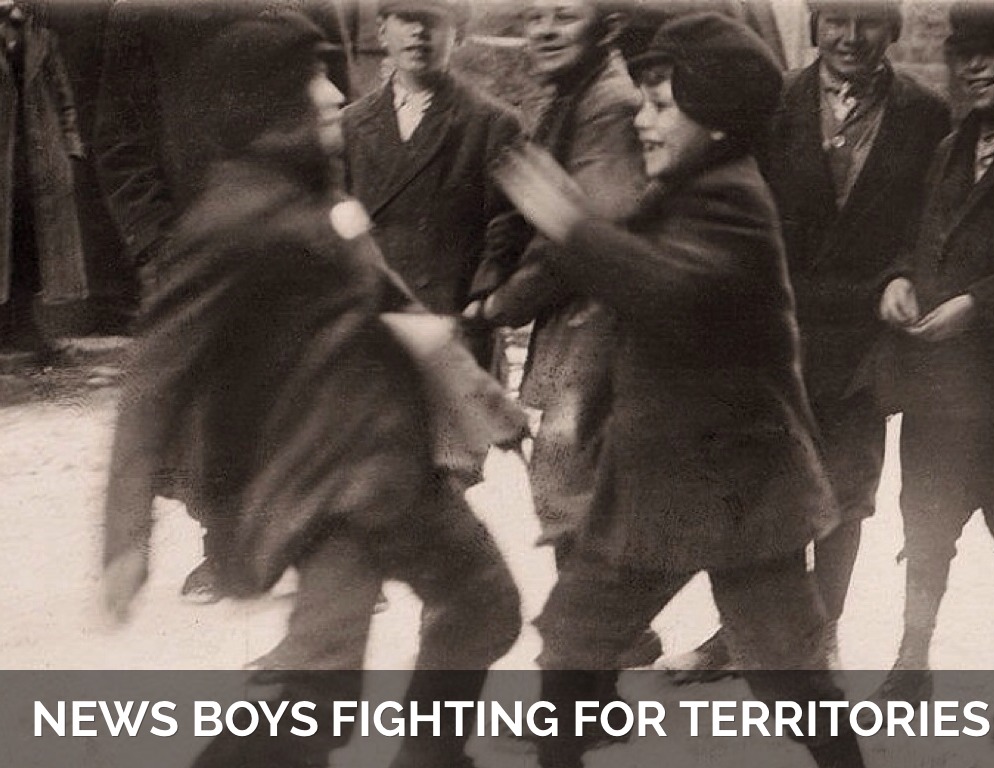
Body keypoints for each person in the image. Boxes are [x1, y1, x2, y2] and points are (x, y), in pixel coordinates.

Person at [100, 12, 523, 768]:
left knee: (474, 613)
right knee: (326, 691)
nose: (333, 95)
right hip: (329, 491)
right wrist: (126, 539)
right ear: (267, 107)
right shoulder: (232, 220)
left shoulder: (316, 193)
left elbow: (393, 302)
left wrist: (489, 404)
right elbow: (154, 380)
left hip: (391, 473)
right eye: (310, 82)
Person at [492, 13, 865, 768]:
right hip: (674, 478)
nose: (642, 118)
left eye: (662, 105)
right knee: (575, 642)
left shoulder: (733, 200)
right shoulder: (683, 188)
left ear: (718, 123)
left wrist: (569, 225)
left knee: (786, 669)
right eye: (643, 101)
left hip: (733, 482)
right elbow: (618, 268)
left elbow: (667, 290)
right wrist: (506, 299)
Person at [671, 0, 950, 682]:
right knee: (761, 483)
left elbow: (934, 219)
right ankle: (744, 635)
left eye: (868, 21)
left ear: (893, 29)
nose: (850, 37)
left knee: (844, 495)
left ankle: (819, 638)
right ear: (816, 24)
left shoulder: (925, 114)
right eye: (836, 20)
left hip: (864, 339)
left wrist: (904, 274)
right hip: (774, 328)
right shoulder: (774, 100)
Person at [94, 0, 353, 603]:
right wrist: (157, 246)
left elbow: (341, 109)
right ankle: (226, 542)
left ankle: (329, 545)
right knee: (216, 404)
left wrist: (334, 211)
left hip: (301, 217)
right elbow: (119, 142)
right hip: (194, 232)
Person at [477, 0, 654, 669]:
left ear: (604, 26)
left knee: (573, 497)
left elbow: (581, 235)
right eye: (534, 17)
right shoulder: (568, 94)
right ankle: (603, 653)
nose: (545, 30)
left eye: (564, 15)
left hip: (598, 326)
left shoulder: (608, 105)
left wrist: (503, 302)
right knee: (571, 497)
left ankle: (587, 671)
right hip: (580, 324)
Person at [870, 1, 994, 748]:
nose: (976, 66)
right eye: (965, 53)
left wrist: (980, 305)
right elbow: (915, 237)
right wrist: (898, 278)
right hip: (939, 387)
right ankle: (911, 664)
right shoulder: (951, 147)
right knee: (925, 527)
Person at [340, 0, 521, 371]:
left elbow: (507, 225)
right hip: (369, 323)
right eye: (407, 19)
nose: (418, 32)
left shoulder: (491, 123)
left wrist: (480, 301)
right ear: (382, 32)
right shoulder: (350, 125)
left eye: (432, 21)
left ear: (460, 35)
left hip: (450, 325)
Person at [0, 0, 87, 363]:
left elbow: (64, 99)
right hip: (3, 156)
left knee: (30, 243)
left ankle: (26, 326)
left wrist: (70, 147)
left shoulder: (44, 39)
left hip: (37, 157)